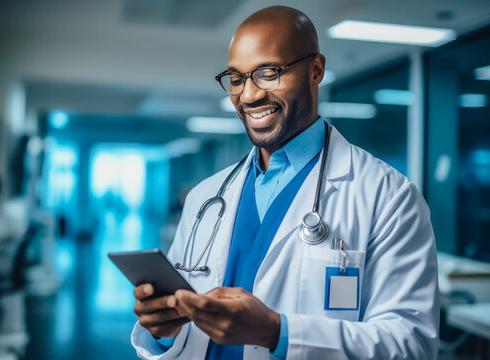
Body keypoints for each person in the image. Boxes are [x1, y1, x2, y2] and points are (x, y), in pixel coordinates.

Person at [131, 5, 439, 359]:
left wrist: (278, 333)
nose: (248, 95)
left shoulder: (388, 196)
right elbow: (184, 335)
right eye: (236, 78)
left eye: (268, 72)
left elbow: (411, 345)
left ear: (316, 70)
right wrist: (164, 332)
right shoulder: (206, 197)